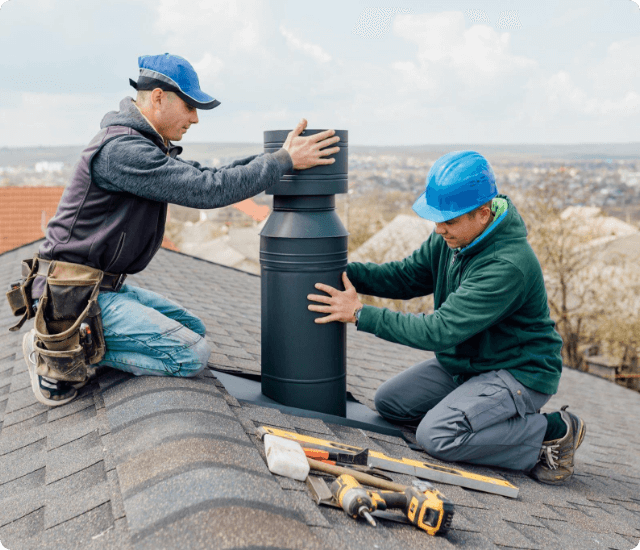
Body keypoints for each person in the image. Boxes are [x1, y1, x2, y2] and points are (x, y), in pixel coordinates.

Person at [24, 53, 340, 408]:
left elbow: (205, 175)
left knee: (193, 328)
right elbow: (208, 190)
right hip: (72, 297)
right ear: (158, 97)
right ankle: (58, 351)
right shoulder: (122, 151)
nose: (195, 119)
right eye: (190, 107)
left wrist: (276, 156)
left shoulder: (142, 145)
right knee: (190, 354)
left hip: (100, 289)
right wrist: (284, 161)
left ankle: (77, 340)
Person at [307, 150, 586, 485]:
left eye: (448, 221)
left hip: (517, 372)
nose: (439, 229)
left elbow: (438, 331)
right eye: (437, 219)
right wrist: (340, 271)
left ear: (484, 214)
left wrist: (359, 314)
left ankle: (549, 432)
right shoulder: (455, 238)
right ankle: (478, 414)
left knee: (436, 437)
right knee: (390, 403)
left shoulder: (506, 265)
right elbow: (406, 277)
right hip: (469, 365)